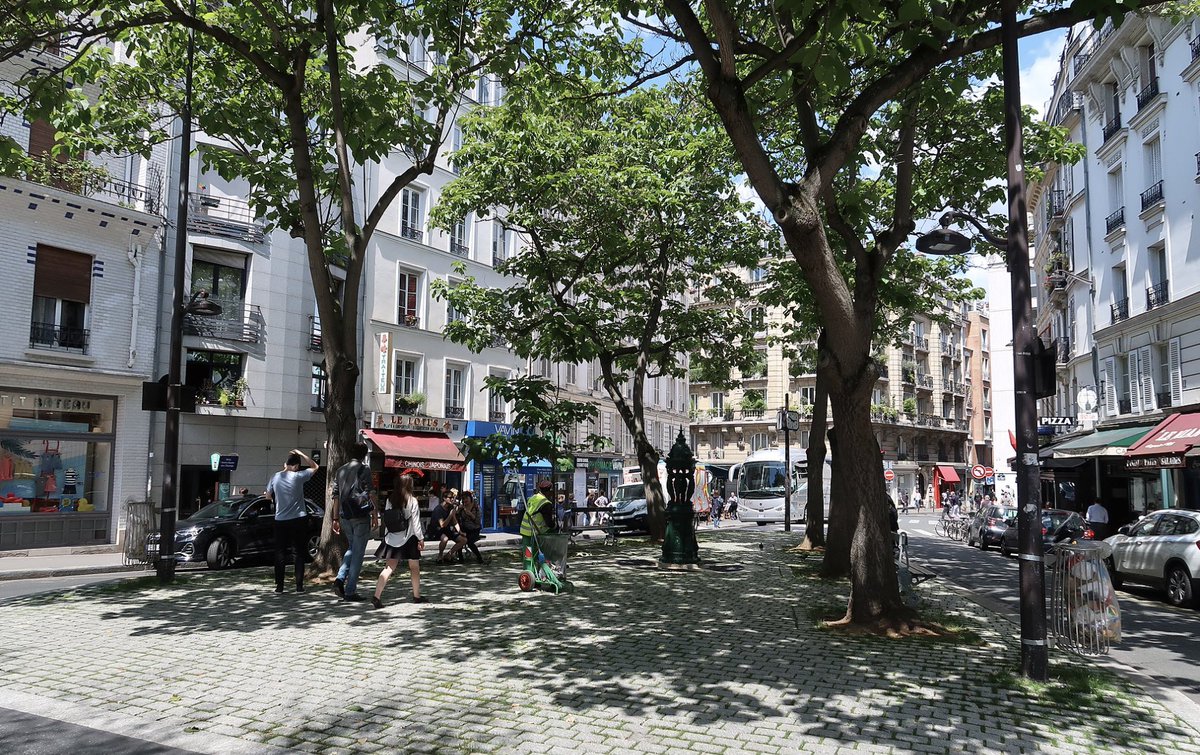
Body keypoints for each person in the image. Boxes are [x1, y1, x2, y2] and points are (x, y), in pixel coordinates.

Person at [265, 449, 318, 593]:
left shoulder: (275, 477)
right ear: (296, 466)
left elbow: (268, 496)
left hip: (280, 519)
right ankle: (299, 586)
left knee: (280, 553)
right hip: (298, 518)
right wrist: (302, 454)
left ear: (286, 464)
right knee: (298, 553)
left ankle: (279, 586)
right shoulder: (298, 476)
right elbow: (315, 467)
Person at [331, 442, 377, 602]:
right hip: (360, 514)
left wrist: (335, 518)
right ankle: (350, 590)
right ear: (364, 455)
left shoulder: (340, 470)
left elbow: (335, 496)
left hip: (344, 515)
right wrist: (375, 514)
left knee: (351, 548)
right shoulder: (365, 469)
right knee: (358, 553)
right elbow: (370, 493)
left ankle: (339, 579)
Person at [373, 474, 426, 607]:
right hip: (409, 538)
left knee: (388, 568)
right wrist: (421, 538)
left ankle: (376, 596)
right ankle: (416, 595)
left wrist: (387, 535)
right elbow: (416, 523)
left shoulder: (390, 500)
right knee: (414, 568)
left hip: (392, 537)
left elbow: (387, 519)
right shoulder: (412, 501)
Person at [520, 480, 556, 556]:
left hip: (525, 530)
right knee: (536, 555)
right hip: (535, 532)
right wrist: (555, 526)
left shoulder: (533, 497)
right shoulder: (546, 503)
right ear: (549, 491)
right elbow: (549, 523)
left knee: (528, 555)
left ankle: (528, 564)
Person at [430, 489, 466, 563]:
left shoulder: (451, 507)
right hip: (437, 530)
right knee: (445, 539)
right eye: (450, 498)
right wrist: (450, 515)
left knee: (463, 540)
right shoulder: (438, 509)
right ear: (444, 498)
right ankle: (440, 556)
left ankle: (449, 554)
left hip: (447, 529)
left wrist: (460, 531)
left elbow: (454, 521)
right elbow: (442, 525)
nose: (452, 499)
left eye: (453, 497)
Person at [458, 490, 485, 564]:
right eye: (463, 499)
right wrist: (458, 510)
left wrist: (470, 514)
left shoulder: (476, 507)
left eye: (466, 498)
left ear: (470, 498)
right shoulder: (462, 508)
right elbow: (458, 518)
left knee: (469, 542)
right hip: (464, 529)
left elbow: (478, 521)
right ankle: (460, 558)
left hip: (474, 529)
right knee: (460, 540)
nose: (465, 500)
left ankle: (479, 558)